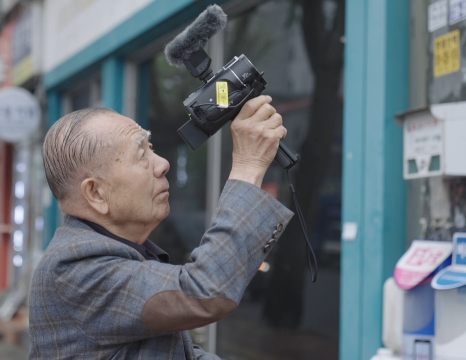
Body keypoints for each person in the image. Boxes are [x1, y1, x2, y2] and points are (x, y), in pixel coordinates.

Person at [29, 95, 293, 359]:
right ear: (96, 193)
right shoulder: (74, 267)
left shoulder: (121, 251)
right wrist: (248, 167)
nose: (163, 164)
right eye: (142, 154)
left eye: (151, 147)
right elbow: (206, 291)